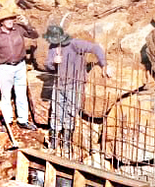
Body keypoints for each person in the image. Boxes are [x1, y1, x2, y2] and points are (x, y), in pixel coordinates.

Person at [44, 24, 110, 156]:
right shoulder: (52, 48)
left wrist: (104, 64)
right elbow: (47, 65)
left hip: (74, 84)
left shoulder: (75, 44)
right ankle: (53, 142)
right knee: (56, 113)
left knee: (70, 113)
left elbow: (95, 47)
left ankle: (67, 144)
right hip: (59, 84)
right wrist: (53, 62)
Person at [0, 8, 39, 131]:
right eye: (6, 19)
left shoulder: (18, 28)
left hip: (20, 66)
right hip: (4, 68)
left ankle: (23, 120)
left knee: (21, 93)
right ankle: (7, 121)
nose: (9, 21)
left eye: (11, 18)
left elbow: (35, 35)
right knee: (6, 95)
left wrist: (27, 24)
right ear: (1, 22)